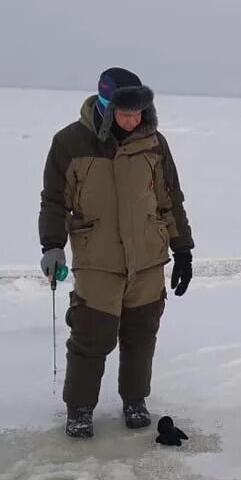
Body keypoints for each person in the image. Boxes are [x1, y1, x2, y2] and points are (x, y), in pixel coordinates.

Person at [38, 67, 195, 438]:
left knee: (142, 333)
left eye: (138, 112)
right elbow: (54, 202)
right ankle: (79, 408)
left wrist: (183, 249)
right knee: (92, 335)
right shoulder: (69, 143)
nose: (132, 120)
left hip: (147, 259)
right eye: (124, 112)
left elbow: (170, 200)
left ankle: (135, 399)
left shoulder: (154, 143)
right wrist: (52, 246)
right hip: (98, 260)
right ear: (106, 107)